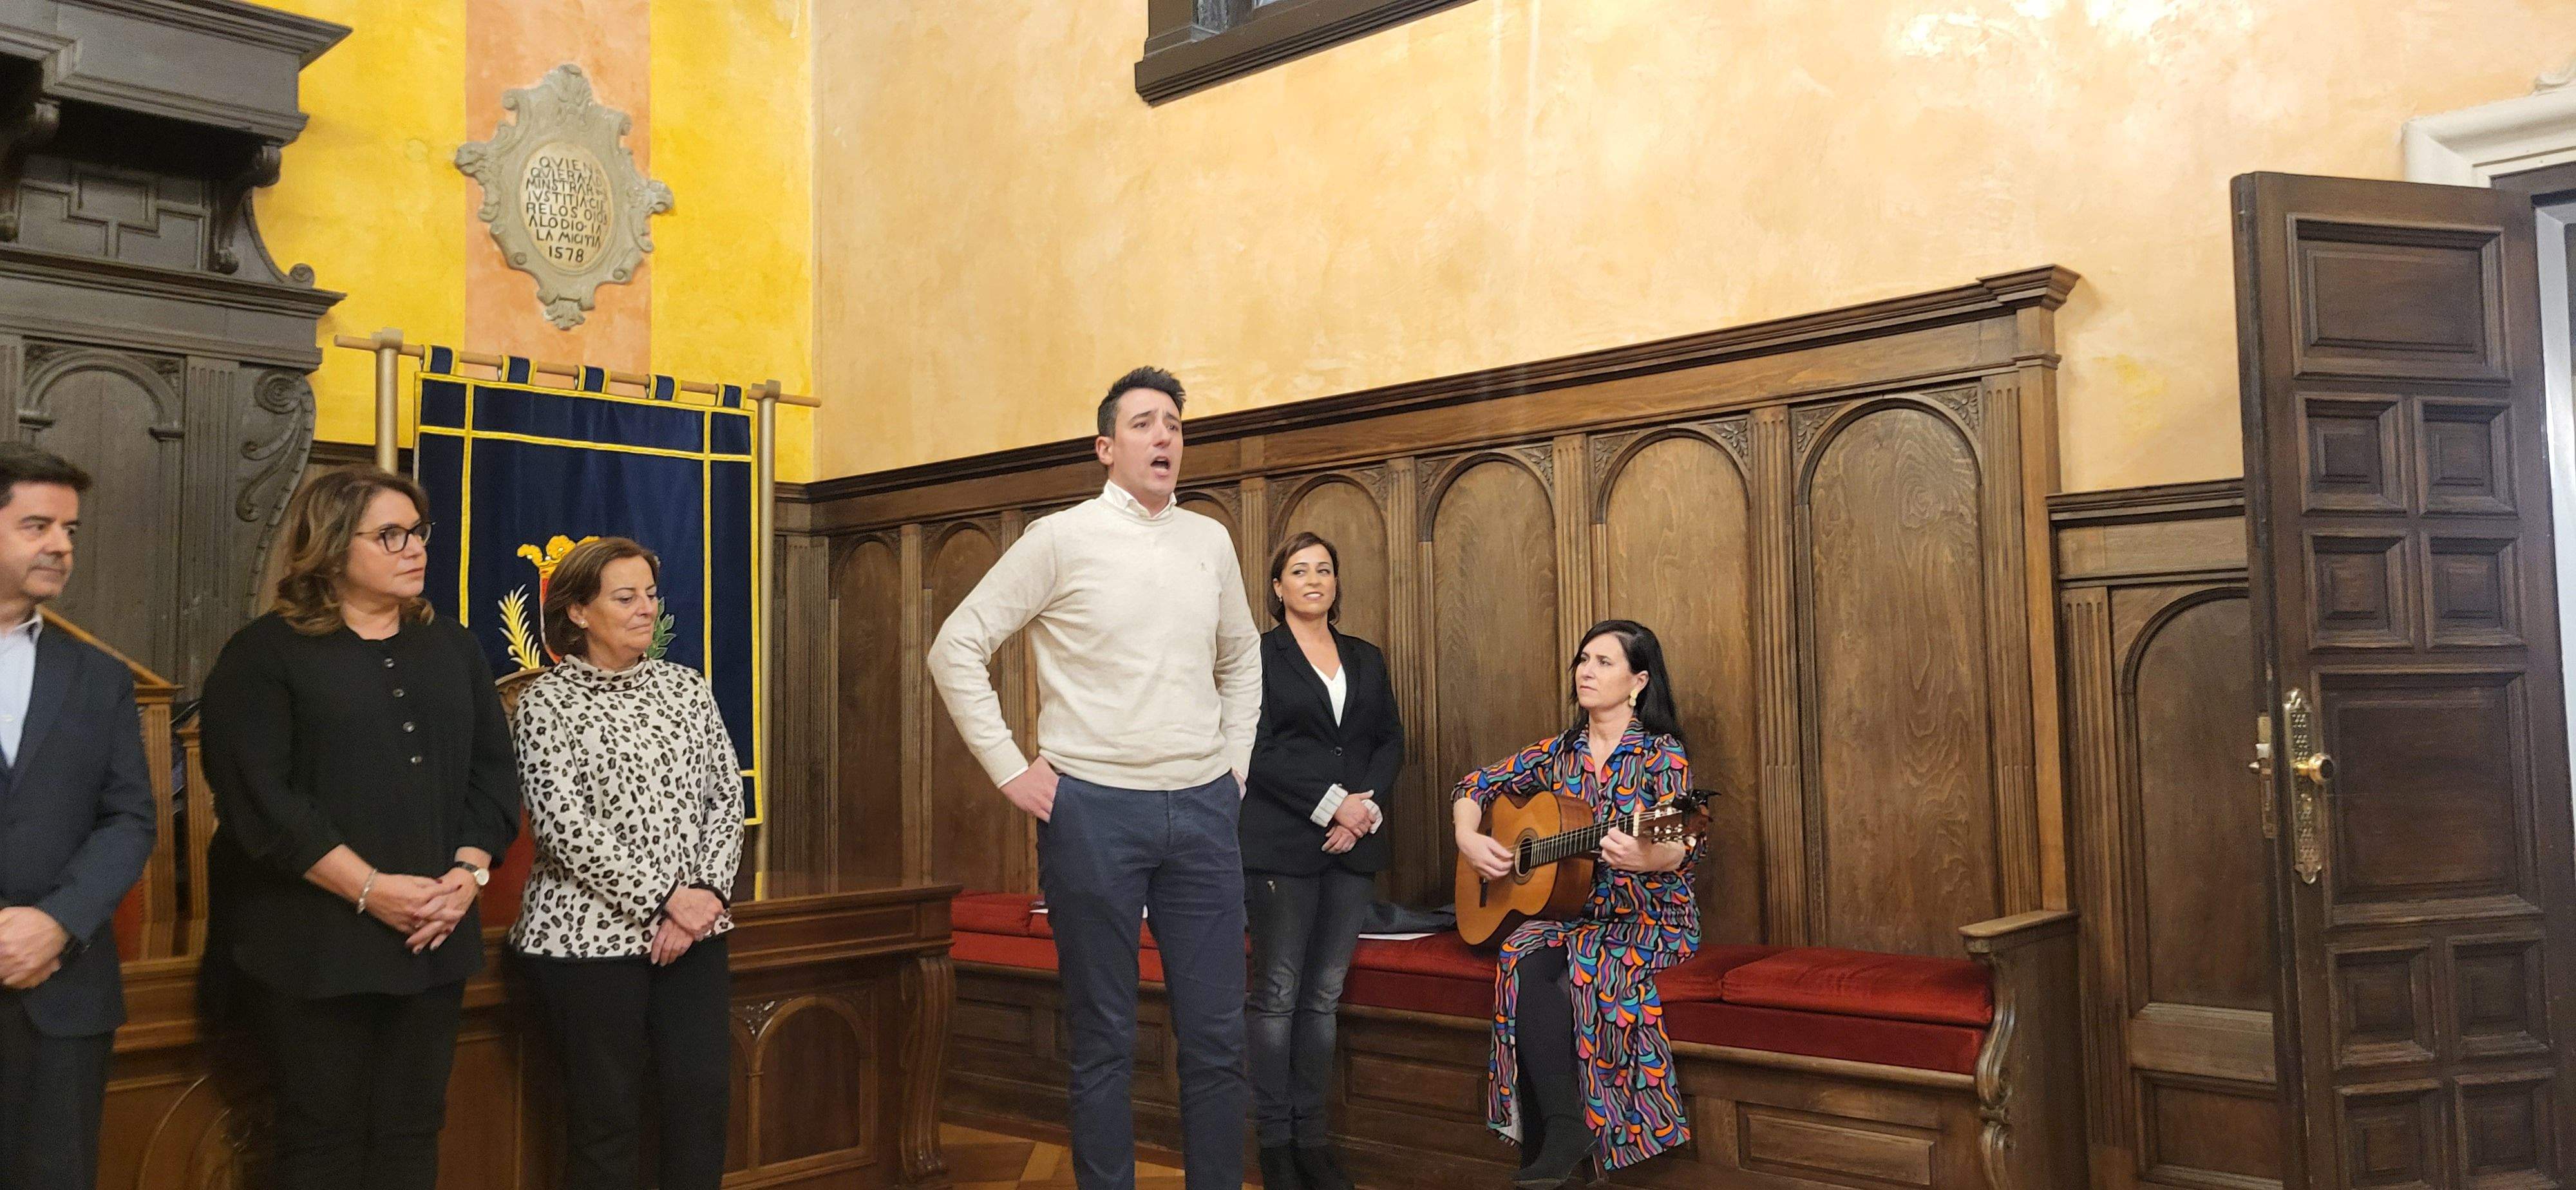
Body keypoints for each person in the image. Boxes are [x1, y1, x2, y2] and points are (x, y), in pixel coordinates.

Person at [928, 366, 1261, 1190]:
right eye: (1144, 424)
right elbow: (955, 647)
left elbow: (1241, 659)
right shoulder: (1060, 538)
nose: (1164, 437)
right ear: (1106, 447)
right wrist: (1010, 770)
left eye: (1174, 425)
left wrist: (1234, 766)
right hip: (1093, 812)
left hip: (1204, 809)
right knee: (1104, 1035)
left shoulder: (1210, 541)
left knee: (1218, 1037)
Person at [199, 468, 520, 1190]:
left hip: (433, 933)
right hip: (313, 943)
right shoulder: (264, 653)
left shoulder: (453, 646)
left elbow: (494, 775)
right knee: (322, 1143)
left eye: (419, 532)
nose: (416, 548)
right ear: (333, 546)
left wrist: (467, 876)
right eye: (391, 535)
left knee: (412, 1133)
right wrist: (371, 889)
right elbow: (261, 801)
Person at [509, 536, 744, 1190]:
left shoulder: (687, 689)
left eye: (650, 594)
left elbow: (726, 798)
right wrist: (666, 899)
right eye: (625, 597)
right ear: (578, 611)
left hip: (695, 933)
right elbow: (563, 828)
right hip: (586, 942)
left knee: (700, 1103)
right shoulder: (546, 703)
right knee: (605, 1122)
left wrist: (703, 896)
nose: (646, 608)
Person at [1450, 619, 1699, 1189]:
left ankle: (1568, 1140)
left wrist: (1648, 858)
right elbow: (1472, 786)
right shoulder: (1557, 753)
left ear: (1638, 682)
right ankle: (1565, 1130)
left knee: (1588, 969)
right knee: (1520, 952)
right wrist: (1469, 837)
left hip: (1648, 919)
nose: (1586, 671)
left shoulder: (1661, 753)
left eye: (1604, 662)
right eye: (1584, 660)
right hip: (1575, 918)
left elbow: (1682, 837)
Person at [0, 444, 154, 1189]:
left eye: (70, 530)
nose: (61, 545)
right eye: (38, 526)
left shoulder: (98, 675)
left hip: (62, 995)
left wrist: (56, 921)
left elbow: (130, 819)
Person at [1240, 531, 1399, 1190]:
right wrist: (1332, 805)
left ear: (1336, 583)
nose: (1314, 580)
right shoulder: (1257, 656)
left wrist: (1363, 811)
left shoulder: (1366, 656)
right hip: (1280, 844)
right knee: (1276, 997)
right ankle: (1274, 1144)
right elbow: (1255, 748)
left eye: (1324, 569)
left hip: (1354, 846)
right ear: (1277, 587)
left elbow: (1388, 740)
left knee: (1323, 1000)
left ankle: (1313, 1140)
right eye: (1299, 570)